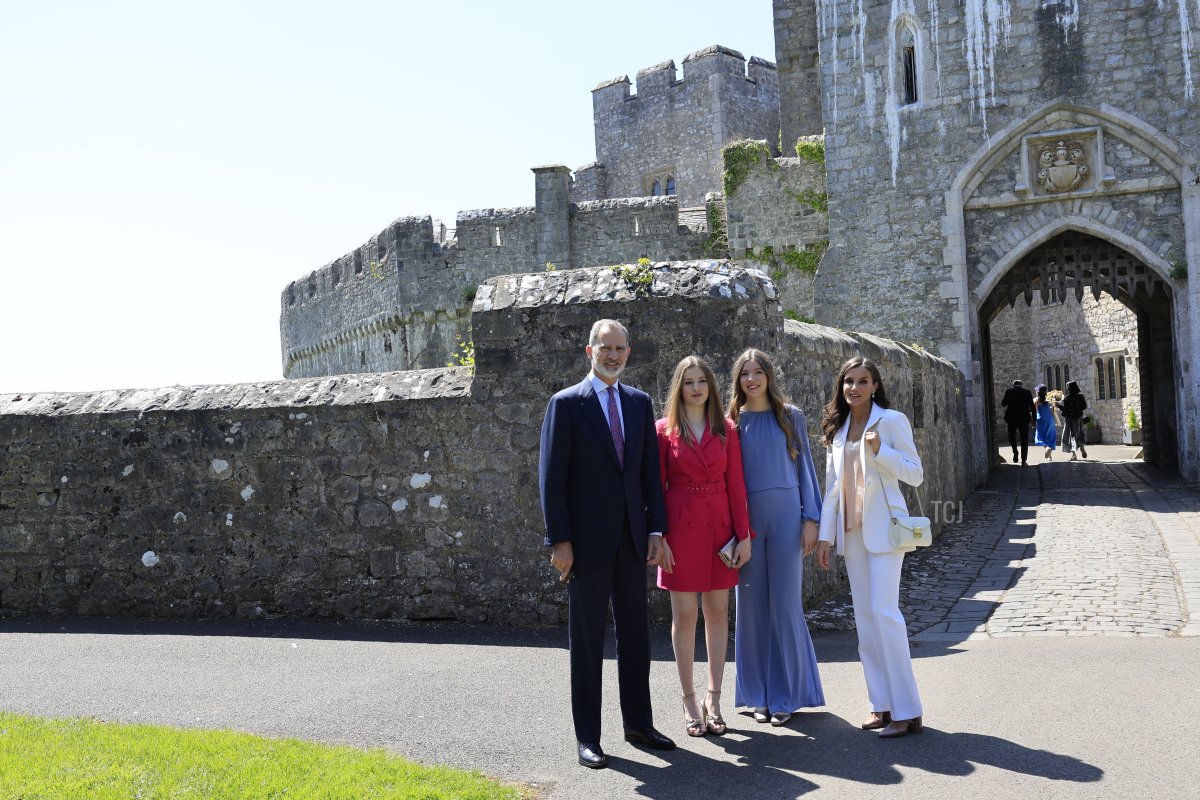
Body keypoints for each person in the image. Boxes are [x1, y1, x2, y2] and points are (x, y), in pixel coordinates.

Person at [538, 318, 675, 769]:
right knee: (589, 641)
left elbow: (649, 475)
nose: (613, 355)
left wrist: (656, 530)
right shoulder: (566, 404)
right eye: (605, 347)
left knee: (636, 636)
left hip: (634, 540)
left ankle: (638, 723)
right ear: (588, 351)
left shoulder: (639, 403)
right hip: (586, 544)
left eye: (620, 348)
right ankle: (588, 737)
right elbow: (552, 480)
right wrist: (560, 540)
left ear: (628, 353)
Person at [815, 356, 924, 738]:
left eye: (863, 381)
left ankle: (907, 709)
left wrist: (883, 452)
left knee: (884, 612)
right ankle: (881, 704)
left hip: (887, 531)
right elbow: (832, 488)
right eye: (848, 381)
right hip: (852, 533)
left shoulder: (891, 421)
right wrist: (826, 536)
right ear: (841, 386)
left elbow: (915, 473)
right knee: (864, 619)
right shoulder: (839, 429)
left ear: (875, 385)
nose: (855, 388)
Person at [655, 356, 753, 738]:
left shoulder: (727, 429)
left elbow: (738, 486)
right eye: (688, 382)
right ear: (679, 388)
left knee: (716, 612)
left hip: (720, 530)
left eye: (702, 381)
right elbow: (656, 488)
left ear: (711, 387)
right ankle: (689, 697)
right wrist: (658, 536)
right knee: (684, 616)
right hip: (679, 529)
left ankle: (714, 697)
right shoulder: (663, 431)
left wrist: (743, 535)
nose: (696, 388)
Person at [727, 349, 824, 727]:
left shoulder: (791, 416)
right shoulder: (731, 422)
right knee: (750, 608)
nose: (752, 379)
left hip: (787, 518)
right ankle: (757, 695)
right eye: (744, 373)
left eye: (758, 372)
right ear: (737, 380)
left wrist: (811, 519)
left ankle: (788, 694)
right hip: (747, 523)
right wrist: (734, 531)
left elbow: (806, 469)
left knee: (785, 605)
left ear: (769, 375)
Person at [1000, 379, 1036, 465]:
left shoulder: (1009, 391)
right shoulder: (1027, 392)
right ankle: (1024, 460)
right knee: (1024, 439)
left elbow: (1003, 404)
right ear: (1021, 385)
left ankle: (1015, 451)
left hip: (1011, 417)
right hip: (1024, 417)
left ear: (1013, 385)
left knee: (1011, 436)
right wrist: (1034, 419)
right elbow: (1032, 406)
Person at [1058, 380, 1089, 460]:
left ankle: (1074, 454)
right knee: (1080, 433)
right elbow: (1084, 406)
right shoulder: (1080, 396)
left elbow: (1066, 410)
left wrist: (1058, 406)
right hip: (1079, 418)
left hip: (1070, 420)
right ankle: (1082, 447)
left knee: (1071, 436)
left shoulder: (1067, 398)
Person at [1033, 383, 1058, 460]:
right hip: (1050, 419)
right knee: (1050, 436)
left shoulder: (1036, 400)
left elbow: (1034, 411)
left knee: (1040, 437)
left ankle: (1047, 448)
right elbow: (1054, 409)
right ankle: (1050, 456)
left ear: (1038, 392)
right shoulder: (1049, 399)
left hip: (1041, 419)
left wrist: (1032, 421)